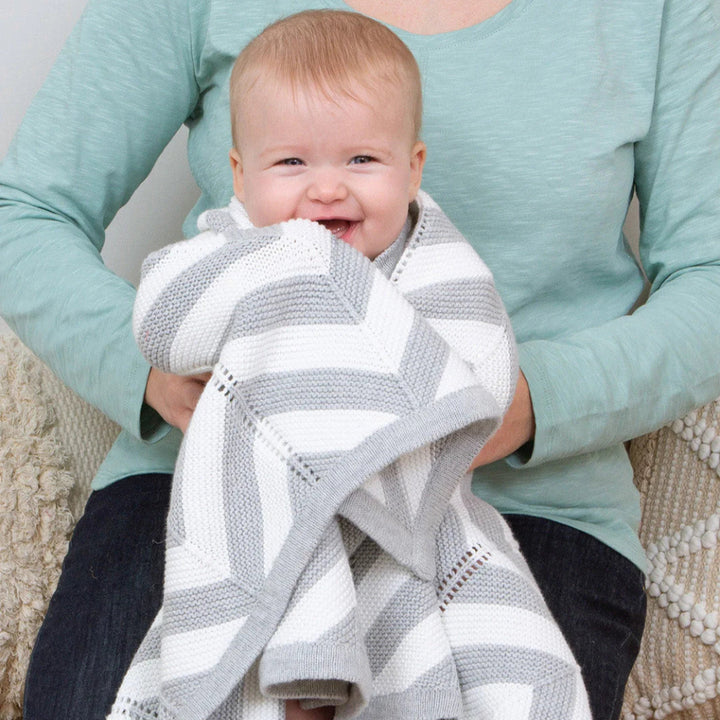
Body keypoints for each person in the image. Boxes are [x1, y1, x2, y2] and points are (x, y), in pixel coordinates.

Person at [0, 0, 718, 718]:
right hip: (214, 481)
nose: (328, 186)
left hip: (516, 499)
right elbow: (26, 211)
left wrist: (524, 403)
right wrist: (152, 375)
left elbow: (710, 278)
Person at [106, 12, 589, 719]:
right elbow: (164, 324)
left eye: (361, 160)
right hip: (259, 506)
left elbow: (478, 366)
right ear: (238, 175)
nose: (327, 188)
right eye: (291, 163)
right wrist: (293, 264)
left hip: (412, 528)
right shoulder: (232, 255)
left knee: (507, 667)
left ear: (414, 166)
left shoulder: (436, 264)